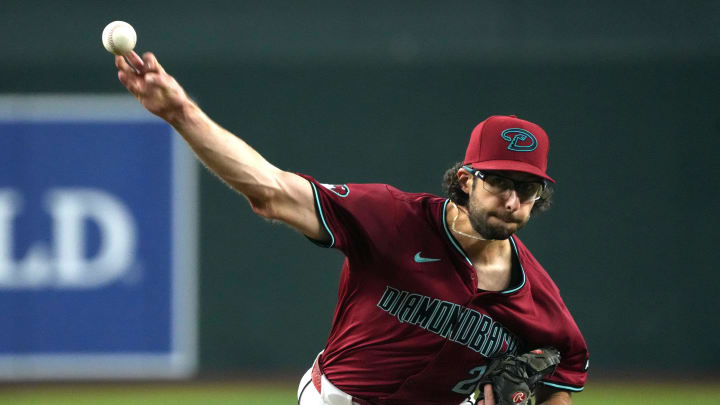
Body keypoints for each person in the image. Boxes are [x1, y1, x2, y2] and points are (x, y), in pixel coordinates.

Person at [114, 51, 589, 405]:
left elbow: (561, 380)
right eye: (500, 181)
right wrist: (180, 112)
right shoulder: (393, 218)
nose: (511, 200)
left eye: (527, 189)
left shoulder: (540, 302)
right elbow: (273, 190)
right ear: (465, 180)